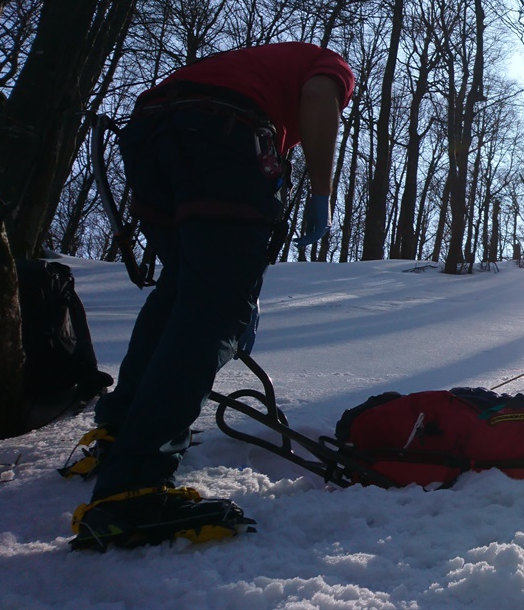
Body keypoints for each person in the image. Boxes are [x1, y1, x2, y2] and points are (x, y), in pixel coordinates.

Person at [69, 42, 354, 551]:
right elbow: (319, 94)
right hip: (221, 130)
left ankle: (120, 433)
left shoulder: (250, 65)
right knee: (215, 306)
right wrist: (321, 191)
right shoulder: (325, 63)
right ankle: (135, 483)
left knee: (180, 289)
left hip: (149, 134)